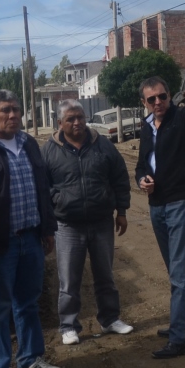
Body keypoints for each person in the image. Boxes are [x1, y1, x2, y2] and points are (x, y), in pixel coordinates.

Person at [0, 90, 62, 368]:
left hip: (31, 237)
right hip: (0, 244)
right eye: (5, 110)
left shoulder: (29, 143)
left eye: (16, 110)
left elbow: (42, 189)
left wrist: (47, 229)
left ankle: (31, 358)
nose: (13, 115)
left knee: (28, 303)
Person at [42, 100, 133, 346]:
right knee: (69, 280)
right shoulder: (48, 151)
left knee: (105, 275)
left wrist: (121, 211)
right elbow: (41, 186)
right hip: (67, 226)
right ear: (59, 123)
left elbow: (119, 177)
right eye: (70, 119)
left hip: (101, 222)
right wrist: (58, 201)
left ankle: (110, 319)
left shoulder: (102, 145)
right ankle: (68, 326)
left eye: (80, 117)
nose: (77, 122)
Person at [135, 77, 185, 359]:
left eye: (162, 96)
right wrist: (142, 179)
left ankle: (179, 339)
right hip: (156, 204)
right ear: (144, 103)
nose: (158, 102)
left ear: (169, 96)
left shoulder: (181, 118)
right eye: (152, 99)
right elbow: (141, 164)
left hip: (180, 202)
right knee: (175, 269)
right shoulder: (146, 127)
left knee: (179, 271)